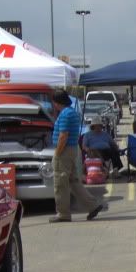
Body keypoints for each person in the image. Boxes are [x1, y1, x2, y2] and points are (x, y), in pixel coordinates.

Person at [49, 89, 108, 223]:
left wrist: (57, 154)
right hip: (72, 149)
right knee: (73, 181)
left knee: (60, 183)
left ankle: (63, 213)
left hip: (64, 150)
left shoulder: (64, 114)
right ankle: (92, 205)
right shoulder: (72, 113)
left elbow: (63, 135)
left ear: (58, 102)